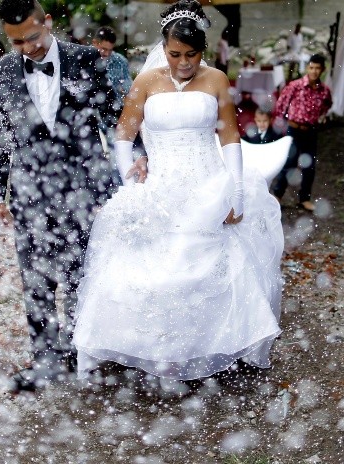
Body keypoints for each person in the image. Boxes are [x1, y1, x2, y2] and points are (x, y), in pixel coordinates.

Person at [72, 0, 284, 382]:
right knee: (152, 267)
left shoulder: (216, 79)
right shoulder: (147, 81)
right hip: (160, 186)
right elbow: (124, 133)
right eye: (174, 54)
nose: (183, 63)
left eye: (191, 54)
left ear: (202, 50)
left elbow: (230, 137)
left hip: (207, 183)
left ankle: (208, 347)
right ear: (163, 48)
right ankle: (152, 347)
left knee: (210, 266)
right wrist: (130, 181)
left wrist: (235, 192)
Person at [0, 0, 120, 392]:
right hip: (29, 190)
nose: (27, 48)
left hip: (85, 187)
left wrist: (137, 159)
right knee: (36, 276)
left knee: (84, 270)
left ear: (47, 22)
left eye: (32, 37)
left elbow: (113, 116)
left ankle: (86, 352)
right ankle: (46, 360)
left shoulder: (87, 60)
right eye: (16, 43)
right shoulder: (0, 72)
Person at [272, 54, 332, 212]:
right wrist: (286, 121)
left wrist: (320, 118)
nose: (314, 71)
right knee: (289, 163)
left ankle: (305, 199)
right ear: (307, 68)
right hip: (294, 130)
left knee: (309, 166)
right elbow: (280, 106)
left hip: (311, 131)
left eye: (318, 68)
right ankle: (277, 196)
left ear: (323, 70)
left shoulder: (324, 91)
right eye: (311, 67)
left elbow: (327, 105)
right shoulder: (295, 86)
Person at [92, 26, 132, 104]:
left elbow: (128, 86)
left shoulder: (120, 61)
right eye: (104, 49)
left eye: (110, 50)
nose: (107, 54)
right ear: (94, 43)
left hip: (115, 109)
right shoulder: (84, 58)